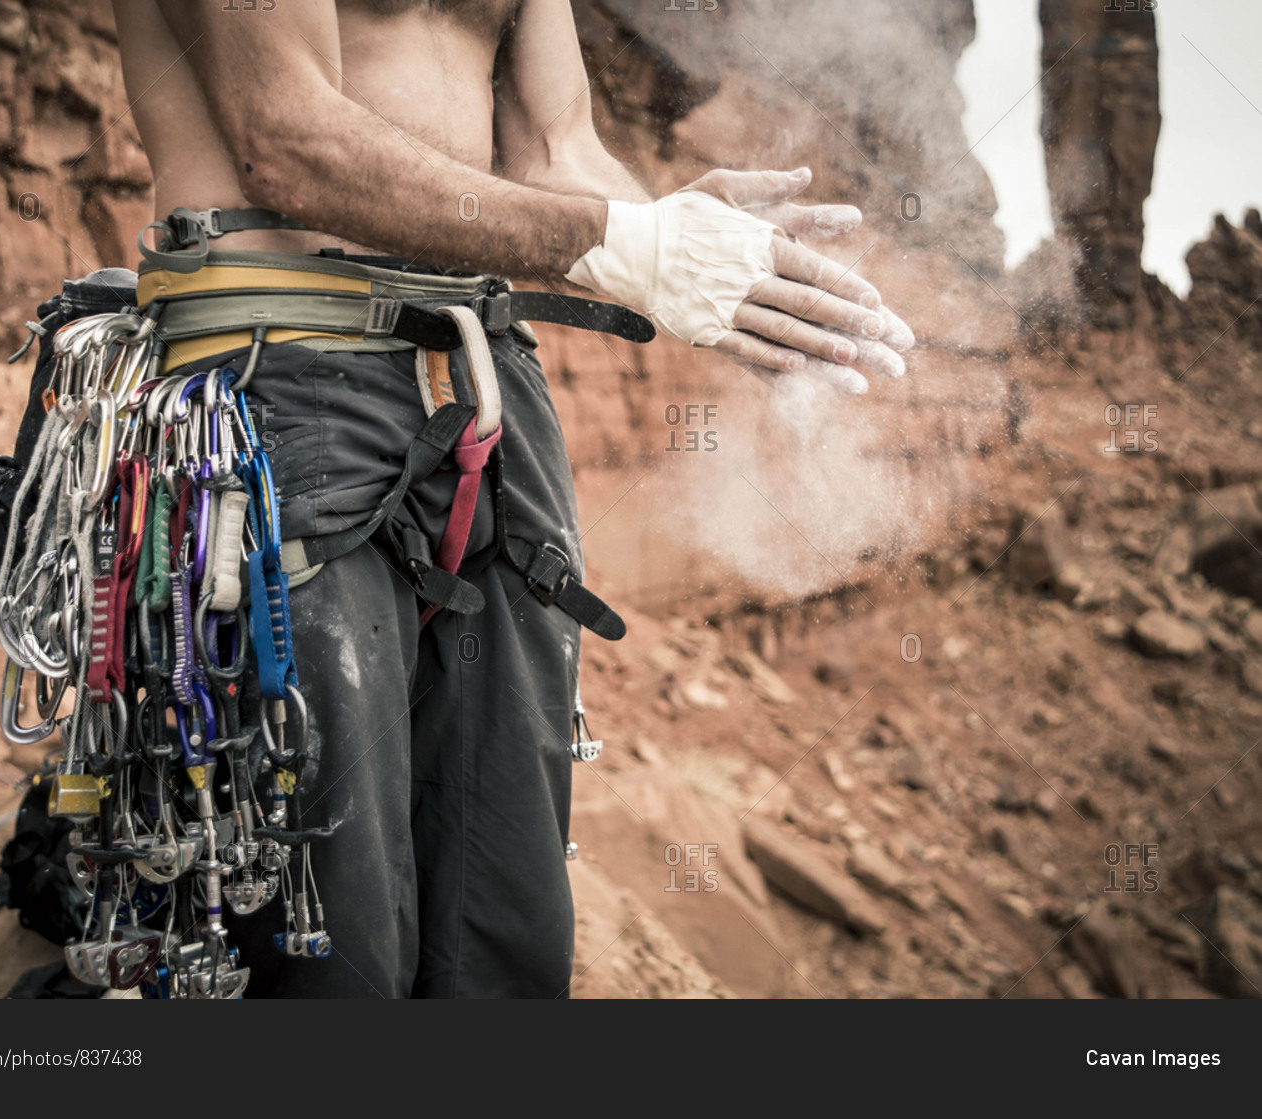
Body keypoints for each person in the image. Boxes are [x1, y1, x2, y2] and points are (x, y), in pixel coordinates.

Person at [102, 0, 914, 998]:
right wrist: (622, 243)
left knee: (507, 880)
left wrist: (667, 230)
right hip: (288, 364)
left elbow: (556, 153)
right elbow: (289, 144)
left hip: (487, 379)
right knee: (325, 882)